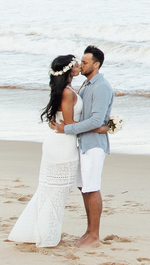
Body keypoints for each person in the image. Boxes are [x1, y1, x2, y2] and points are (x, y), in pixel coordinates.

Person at [7, 55, 107, 247]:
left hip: (61, 143)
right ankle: (47, 236)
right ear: (69, 70)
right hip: (62, 145)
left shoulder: (68, 90)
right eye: (76, 64)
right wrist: (100, 128)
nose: (79, 66)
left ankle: (40, 233)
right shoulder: (68, 93)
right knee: (56, 193)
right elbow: (69, 124)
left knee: (50, 191)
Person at [53, 44, 115, 248]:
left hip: (94, 146)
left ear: (96, 65)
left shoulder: (101, 86)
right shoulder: (86, 85)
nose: (81, 65)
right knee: (84, 188)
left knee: (92, 187)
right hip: (83, 143)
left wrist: (68, 130)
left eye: (85, 62)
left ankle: (94, 236)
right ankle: (89, 231)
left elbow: (97, 119)